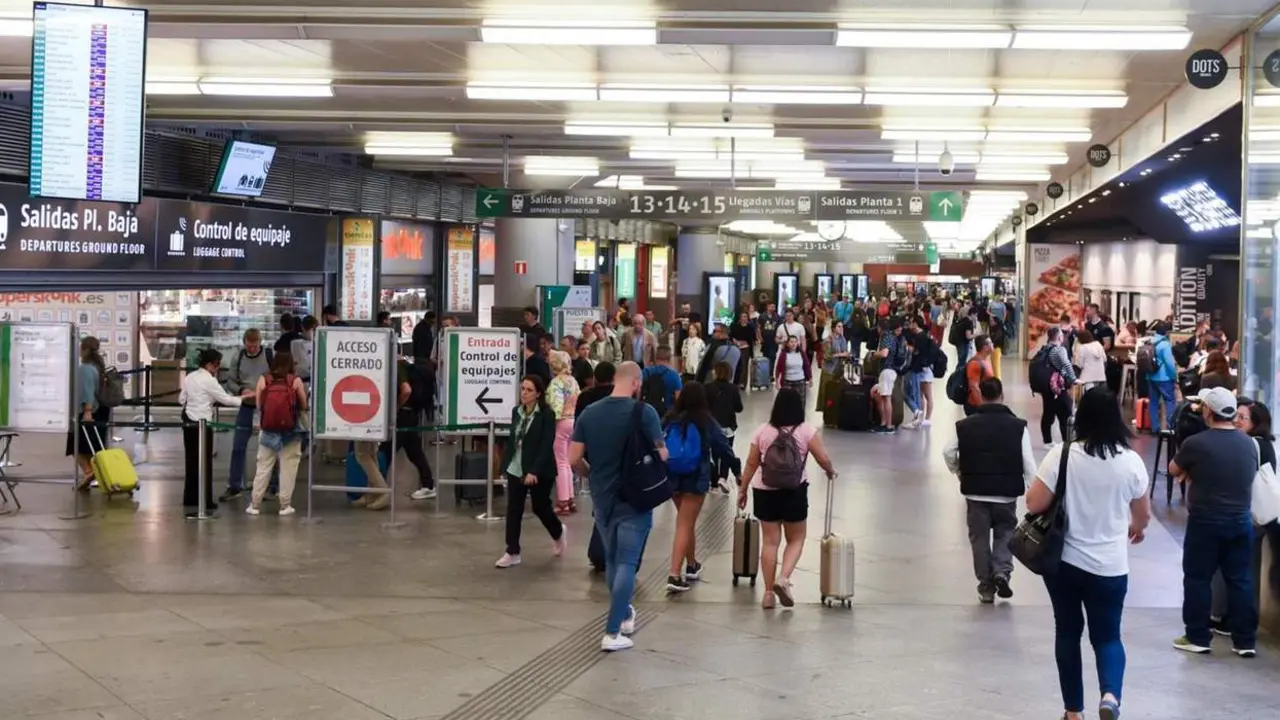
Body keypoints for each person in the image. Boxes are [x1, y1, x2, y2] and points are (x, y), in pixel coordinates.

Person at [1027, 386, 1151, 720]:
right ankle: (1110, 695)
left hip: (1064, 563)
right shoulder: (1131, 463)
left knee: (1067, 633)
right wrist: (1136, 528)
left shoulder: (1062, 455)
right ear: (1117, 419)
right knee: (1108, 636)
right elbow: (1142, 517)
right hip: (1110, 567)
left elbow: (1034, 503)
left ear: (1080, 418)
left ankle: (1073, 712)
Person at [570, 362, 667, 652]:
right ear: (636, 382)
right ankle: (612, 632)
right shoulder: (645, 413)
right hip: (634, 497)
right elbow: (662, 454)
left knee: (612, 560)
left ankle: (624, 614)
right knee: (626, 561)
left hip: (602, 497)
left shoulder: (590, 413)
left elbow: (573, 458)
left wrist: (593, 474)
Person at [1167, 387, 1259, 657]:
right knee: (1240, 579)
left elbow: (1173, 469)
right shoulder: (1248, 443)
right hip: (1241, 519)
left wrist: (1191, 471)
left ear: (1208, 411)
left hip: (1205, 520)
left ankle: (1197, 635)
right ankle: (1245, 641)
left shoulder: (1196, 443)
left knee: (1197, 577)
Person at [736, 388, 838, 609]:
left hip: (765, 491)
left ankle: (768, 594)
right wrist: (830, 470)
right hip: (794, 490)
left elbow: (751, 463)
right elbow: (822, 458)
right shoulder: (805, 431)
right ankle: (784, 578)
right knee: (796, 539)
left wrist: (742, 490)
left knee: (770, 542)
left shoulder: (762, 431)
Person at [943, 378, 1037, 603]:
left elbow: (948, 451)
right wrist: (1034, 493)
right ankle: (1002, 572)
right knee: (1006, 532)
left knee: (979, 538)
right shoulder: (1018, 426)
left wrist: (959, 471)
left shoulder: (965, 425)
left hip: (975, 492)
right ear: (1001, 395)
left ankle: (986, 586)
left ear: (981, 396)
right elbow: (1029, 463)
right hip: (1006, 494)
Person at [663, 382, 739, 593]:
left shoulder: (670, 419)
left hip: (673, 476)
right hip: (696, 477)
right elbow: (723, 447)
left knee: (685, 522)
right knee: (684, 524)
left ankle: (692, 564)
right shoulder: (706, 421)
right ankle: (674, 574)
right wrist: (737, 470)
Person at [495, 375, 566, 569]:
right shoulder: (516, 412)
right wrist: (506, 465)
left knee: (540, 506)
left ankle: (558, 531)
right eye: (522, 389)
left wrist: (534, 470)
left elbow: (546, 444)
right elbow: (513, 440)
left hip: (540, 470)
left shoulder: (546, 414)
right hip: (516, 467)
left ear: (538, 394)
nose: (524, 394)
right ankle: (512, 551)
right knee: (514, 508)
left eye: (529, 390)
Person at [180, 349, 252, 518]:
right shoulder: (209, 380)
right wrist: (246, 397)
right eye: (217, 364)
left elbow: (181, 399)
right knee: (204, 462)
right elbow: (226, 399)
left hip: (187, 420)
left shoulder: (190, 377)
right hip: (202, 423)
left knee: (190, 460)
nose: (218, 368)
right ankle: (204, 501)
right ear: (210, 364)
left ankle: (190, 497)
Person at [245, 351, 307, 516]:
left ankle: (255, 505)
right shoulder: (295, 380)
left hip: (268, 429)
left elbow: (258, 405)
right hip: (291, 430)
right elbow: (303, 405)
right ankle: (285, 505)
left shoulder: (263, 379)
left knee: (263, 466)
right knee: (288, 467)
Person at [222, 329, 276, 501]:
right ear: (244, 342)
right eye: (249, 345)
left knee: (271, 446)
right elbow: (230, 380)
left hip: (266, 406)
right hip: (246, 405)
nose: (252, 349)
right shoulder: (238, 357)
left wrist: (265, 390)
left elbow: (277, 377)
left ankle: (271, 486)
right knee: (238, 446)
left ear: (260, 342)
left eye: (255, 345)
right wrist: (240, 390)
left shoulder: (269, 355)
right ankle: (235, 485)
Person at [68, 337, 110, 489]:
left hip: (88, 412)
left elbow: (87, 392)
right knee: (93, 447)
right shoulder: (98, 367)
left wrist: (87, 411)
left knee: (74, 445)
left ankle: (88, 472)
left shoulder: (85, 368)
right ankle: (99, 474)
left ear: (84, 349)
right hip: (100, 412)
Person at [546, 351, 581, 516]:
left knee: (560, 462)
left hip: (562, 423)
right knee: (568, 462)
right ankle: (570, 498)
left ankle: (562, 502)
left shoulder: (556, 383)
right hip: (574, 421)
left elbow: (555, 407)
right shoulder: (573, 381)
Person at [705, 361, 743, 493]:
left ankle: (713, 482)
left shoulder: (708, 388)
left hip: (712, 427)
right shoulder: (733, 388)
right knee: (727, 452)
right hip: (728, 427)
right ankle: (723, 477)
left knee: (713, 454)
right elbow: (739, 408)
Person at [1035, 327, 1077, 444]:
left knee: (1048, 413)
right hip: (1058, 387)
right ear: (1059, 337)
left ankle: (1047, 441)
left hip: (1047, 386)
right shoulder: (1059, 350)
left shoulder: (1045, 349)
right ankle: (1067, 440)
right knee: (1066, 413)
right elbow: (1066, 364)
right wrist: (1073, 379)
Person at [873, 318, 909, 434]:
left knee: (886, 398)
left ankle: (888, 425)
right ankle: (884, 423)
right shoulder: (893, 337)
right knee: (882, 397)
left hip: (887, 370)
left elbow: (884, 353)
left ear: (880, 328)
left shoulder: (887, 337)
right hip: (891, 370)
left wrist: (873, 354)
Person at [903, 316, 935, 429]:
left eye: (911, 323)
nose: (909, 325)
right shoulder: (923, 336)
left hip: (921, 369)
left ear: (915, 323)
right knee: (920, 394)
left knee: (923, 394)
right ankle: (920, 417)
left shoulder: (921, 338)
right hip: (922, 369)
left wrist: (908, 348)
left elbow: (917, 352)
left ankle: (923, 417)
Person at [1147, 322, 1179, 433]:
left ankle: (1154, 427)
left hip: (1151, 376)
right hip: (1164, 378)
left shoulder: (1149, 341)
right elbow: (1169, 364)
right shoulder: (1165, 344)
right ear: (1166, 332)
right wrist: (1174, 376)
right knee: (1170, 401)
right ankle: (1171, 426)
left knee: (1153, 402)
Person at [641, 346, 683, 414]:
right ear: (669, 358)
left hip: (647, 412)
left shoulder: (646, 372)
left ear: (656, 357)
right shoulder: (674, 375)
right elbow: (678, 399)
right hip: (666, 414)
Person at [964, 335, 995, 417]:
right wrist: (983, 408)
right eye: (991, 343)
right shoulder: (975, 363)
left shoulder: (985, 361)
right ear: (985, 347)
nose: (993, 344)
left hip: (986, 404)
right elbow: (974, 387)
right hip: (976, 407)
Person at [1075, 327, 1108, 392]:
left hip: (1087, 377)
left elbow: (1080, 364)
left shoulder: (1083, 347)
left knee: (1090, 396)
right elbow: (1105, 359)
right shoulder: (1098, 345)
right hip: (1100, 375)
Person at [729, 311, 757, 387]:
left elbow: (753, 338)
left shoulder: (750, 327)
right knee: (736, 364)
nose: (744, 318)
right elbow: (731, 336)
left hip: (746, 348)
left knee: (744, 365)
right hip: (736, 347)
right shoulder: (735, 326)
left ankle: (742, 382)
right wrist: (735, 341)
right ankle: (735, 381)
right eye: (742, 316)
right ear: (740, 318)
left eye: (745, 317)